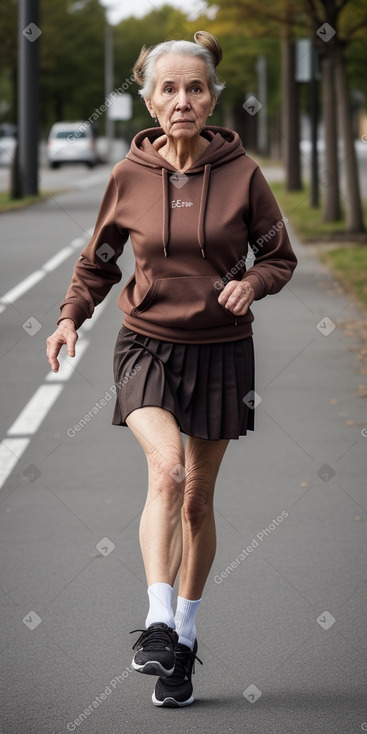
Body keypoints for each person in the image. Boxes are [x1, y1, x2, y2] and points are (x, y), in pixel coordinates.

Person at [46, 30, 297, 708]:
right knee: (167, 471)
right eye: (169, 88)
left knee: (197, 499)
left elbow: (279, 256)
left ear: (212, 97)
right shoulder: (128, 176)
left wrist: (256, 284)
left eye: (195, 88)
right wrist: (72, 314)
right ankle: (157, 624)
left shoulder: (243, 174)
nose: (182, 99)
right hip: (146, 344)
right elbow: (99, 260)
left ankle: (182, 641)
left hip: (220, 349)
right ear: (148, 99)